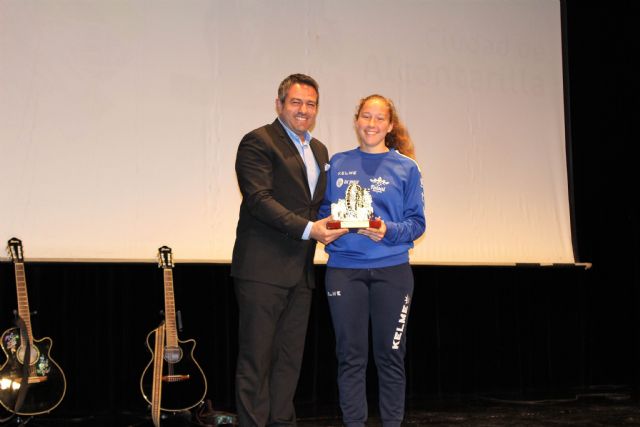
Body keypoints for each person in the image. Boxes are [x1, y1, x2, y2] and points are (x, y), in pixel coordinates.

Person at [231, 73, 347, 427]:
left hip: (301, 273)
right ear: (279, 104)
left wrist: (347, 220)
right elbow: (259, 200)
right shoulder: (258, 141)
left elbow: (316, 207)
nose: (303, 110)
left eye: (311, 104)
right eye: (296, 102)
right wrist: (312, 229)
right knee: (256, 360)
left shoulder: (319, 150)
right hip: (262, 270)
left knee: (289, 360)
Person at [319, 94, 426, 427]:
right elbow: (324, 212)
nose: (372, 124)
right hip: (343, 272)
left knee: (390, 356)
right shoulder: (337, 163)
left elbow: (417, 223)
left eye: (380, 118)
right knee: (350, 357)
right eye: (366, 116)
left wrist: (385, 229)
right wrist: (328, 229)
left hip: (392, 272)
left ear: (390, 125)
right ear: (356, 121)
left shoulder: (406, 168)